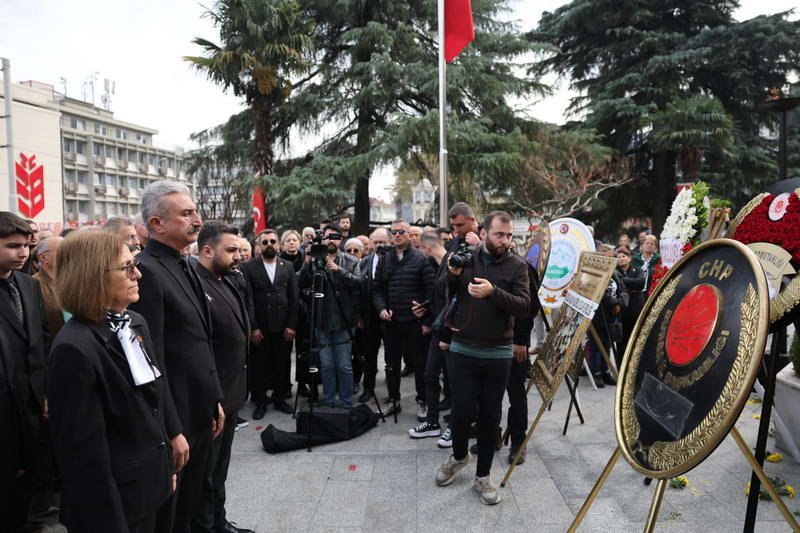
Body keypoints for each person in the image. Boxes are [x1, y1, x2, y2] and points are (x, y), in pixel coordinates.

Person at [47, 230, 174, 533]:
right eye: (126, 267)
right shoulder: (73, 348)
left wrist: (165, 466)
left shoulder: (133, 322)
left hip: (153, 483)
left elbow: (151, 402)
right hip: (118, 503)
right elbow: (84, 456)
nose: (138, 274)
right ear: (91, 276)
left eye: (135, 264)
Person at [128, 181, 225, 533]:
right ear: (156, 224)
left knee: (192, 507)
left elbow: (199, 341)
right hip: (176, 420)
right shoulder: (146, 271)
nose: (197, 220)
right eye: (186, 214)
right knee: (172, 517)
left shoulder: (184, 263)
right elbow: (151, 360)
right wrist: (171, 429)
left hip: (199, 411)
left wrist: (214, 399)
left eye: (195, 211)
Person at [435, 211, 530, 506]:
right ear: (485, 232)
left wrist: (493, 293)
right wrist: (451, 277)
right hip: (462, 347)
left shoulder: (517, 266)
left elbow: (525, 306)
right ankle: (459, 456)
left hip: (498, 352)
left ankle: (483, 475)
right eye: (500, 234)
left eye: (509, 235)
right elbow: (443, 292)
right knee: (461, 413)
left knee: (490, 416)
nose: (505, 240)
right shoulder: (466, 257)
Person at [193, 222, 253, 533]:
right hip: (211, 399)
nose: (238, 256)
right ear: (206, 250)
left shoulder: (228, 280)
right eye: (230, 250)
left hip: (232, 395)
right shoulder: (195, 285)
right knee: (204, 476)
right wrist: (213, 396)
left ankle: (220, 522)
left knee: (220, 471)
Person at [0, 212, 50, 531]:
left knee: (27, 473)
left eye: (26, 246)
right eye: (12, 246)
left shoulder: (29, 286)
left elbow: (41, 341)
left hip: (31, 401)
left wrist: (45, 391)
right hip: (3, 404)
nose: (23, 254)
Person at [372, 219, 434, 418]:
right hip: (391, 323)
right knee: (391, 364)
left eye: (401, 232)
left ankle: (422, 401)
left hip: (414, 323)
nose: (397, 235)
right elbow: (377, 289)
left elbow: (431, 292)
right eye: (394, 232)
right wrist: (381, 308)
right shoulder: (385, 259)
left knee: (419, 364)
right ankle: (393, 399)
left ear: (410, 235)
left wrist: (425, 315)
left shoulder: (421, 259)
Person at [299, 224, 361, 408]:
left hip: (344, 321)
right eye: (328, 237)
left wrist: (338, 270)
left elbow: (360, 284)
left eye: (335, 236)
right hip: (321, 320)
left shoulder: (351, 260)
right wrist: (308, 261)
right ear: (323, 239)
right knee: (326, 366)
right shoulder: (315, 260)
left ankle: (346, 402)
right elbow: (301, 283)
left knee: (343, 365)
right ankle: (328, 402)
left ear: (340, 239)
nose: (331, 240)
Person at [241, 229, 298, 418]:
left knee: (282, 364)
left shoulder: (287, 266)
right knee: (260, 366)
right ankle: (260, 401)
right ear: (259, 246)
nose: (269, 245)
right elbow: (247, 299)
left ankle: (280, 398)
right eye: (264, 242)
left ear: (278, 244)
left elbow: (293, 297)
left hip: (283, 327)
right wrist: (253, 327)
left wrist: (292, 325)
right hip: (261, 328)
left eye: (272, 241)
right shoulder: (249, 267)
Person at [408, 231, 453, 445]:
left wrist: (448, 335)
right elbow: (439, 301)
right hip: (438, 331)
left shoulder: (451, 263)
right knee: (430, 375)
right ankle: (433, 422)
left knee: (454, 382)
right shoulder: (440, 264)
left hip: (450, 335)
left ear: (426, 247)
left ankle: (455, 428)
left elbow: (455, 301)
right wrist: (425, 310)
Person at [355, 228, 390, 404]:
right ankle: (368, 388)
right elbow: (358, 292)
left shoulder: (395, 261)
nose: (379, 245)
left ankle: (393, 393)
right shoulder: (364, 263)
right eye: (376, 242)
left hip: (390, 317)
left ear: (389, 241)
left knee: (391, 356)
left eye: (382, 242)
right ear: (370, 243)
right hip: (369, 318)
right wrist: (359, 316)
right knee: (369, 355)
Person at [588, 246, 629, 387]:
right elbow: (600, 292)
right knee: (596, 345)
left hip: (612, 315)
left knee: (607, 344)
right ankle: (596, 373)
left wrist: (621, 302)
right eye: (608, 257)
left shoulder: (614, 272)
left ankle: (605, 371)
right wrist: (613, 303)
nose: (611, 260)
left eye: (612, 258)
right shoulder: (595, 273)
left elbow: (623, 288)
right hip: (598, 315)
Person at [615, 245, 645, 365]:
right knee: (621, 341)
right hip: (621, 310)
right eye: (619, 257)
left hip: (635, 309)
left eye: (624, 256)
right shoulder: (615, 271)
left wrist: (622, 281)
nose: (621, 258)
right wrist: (630, 285)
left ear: (629, 258)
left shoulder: (637, 270)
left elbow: (640, 283)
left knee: (634, 339)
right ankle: (620, 368)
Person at [32, 236, 65, 337]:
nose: (69, 254)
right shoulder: (32, 285)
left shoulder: (75, 280)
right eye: (63, 250)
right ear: (43, 257)